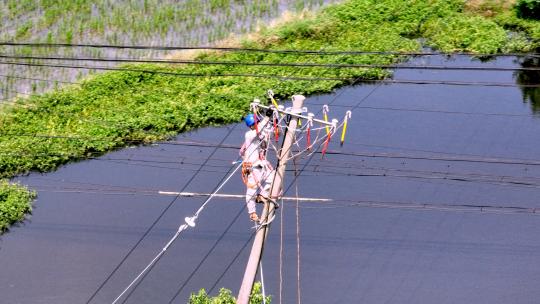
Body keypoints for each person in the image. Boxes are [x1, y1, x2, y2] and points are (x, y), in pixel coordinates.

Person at [240, 113, 272, 222]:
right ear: (251, 126)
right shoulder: (249, 134)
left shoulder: (260, 134)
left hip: (262, 165)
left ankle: (262, 195)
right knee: (251, 191)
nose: (257, 124)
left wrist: (272, 121)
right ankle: (252, 213)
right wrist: (267, 117)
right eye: (255, 123)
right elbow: (258, 131)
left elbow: (265, 131)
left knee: (274, 178)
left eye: (258, 122)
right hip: (253, 167)